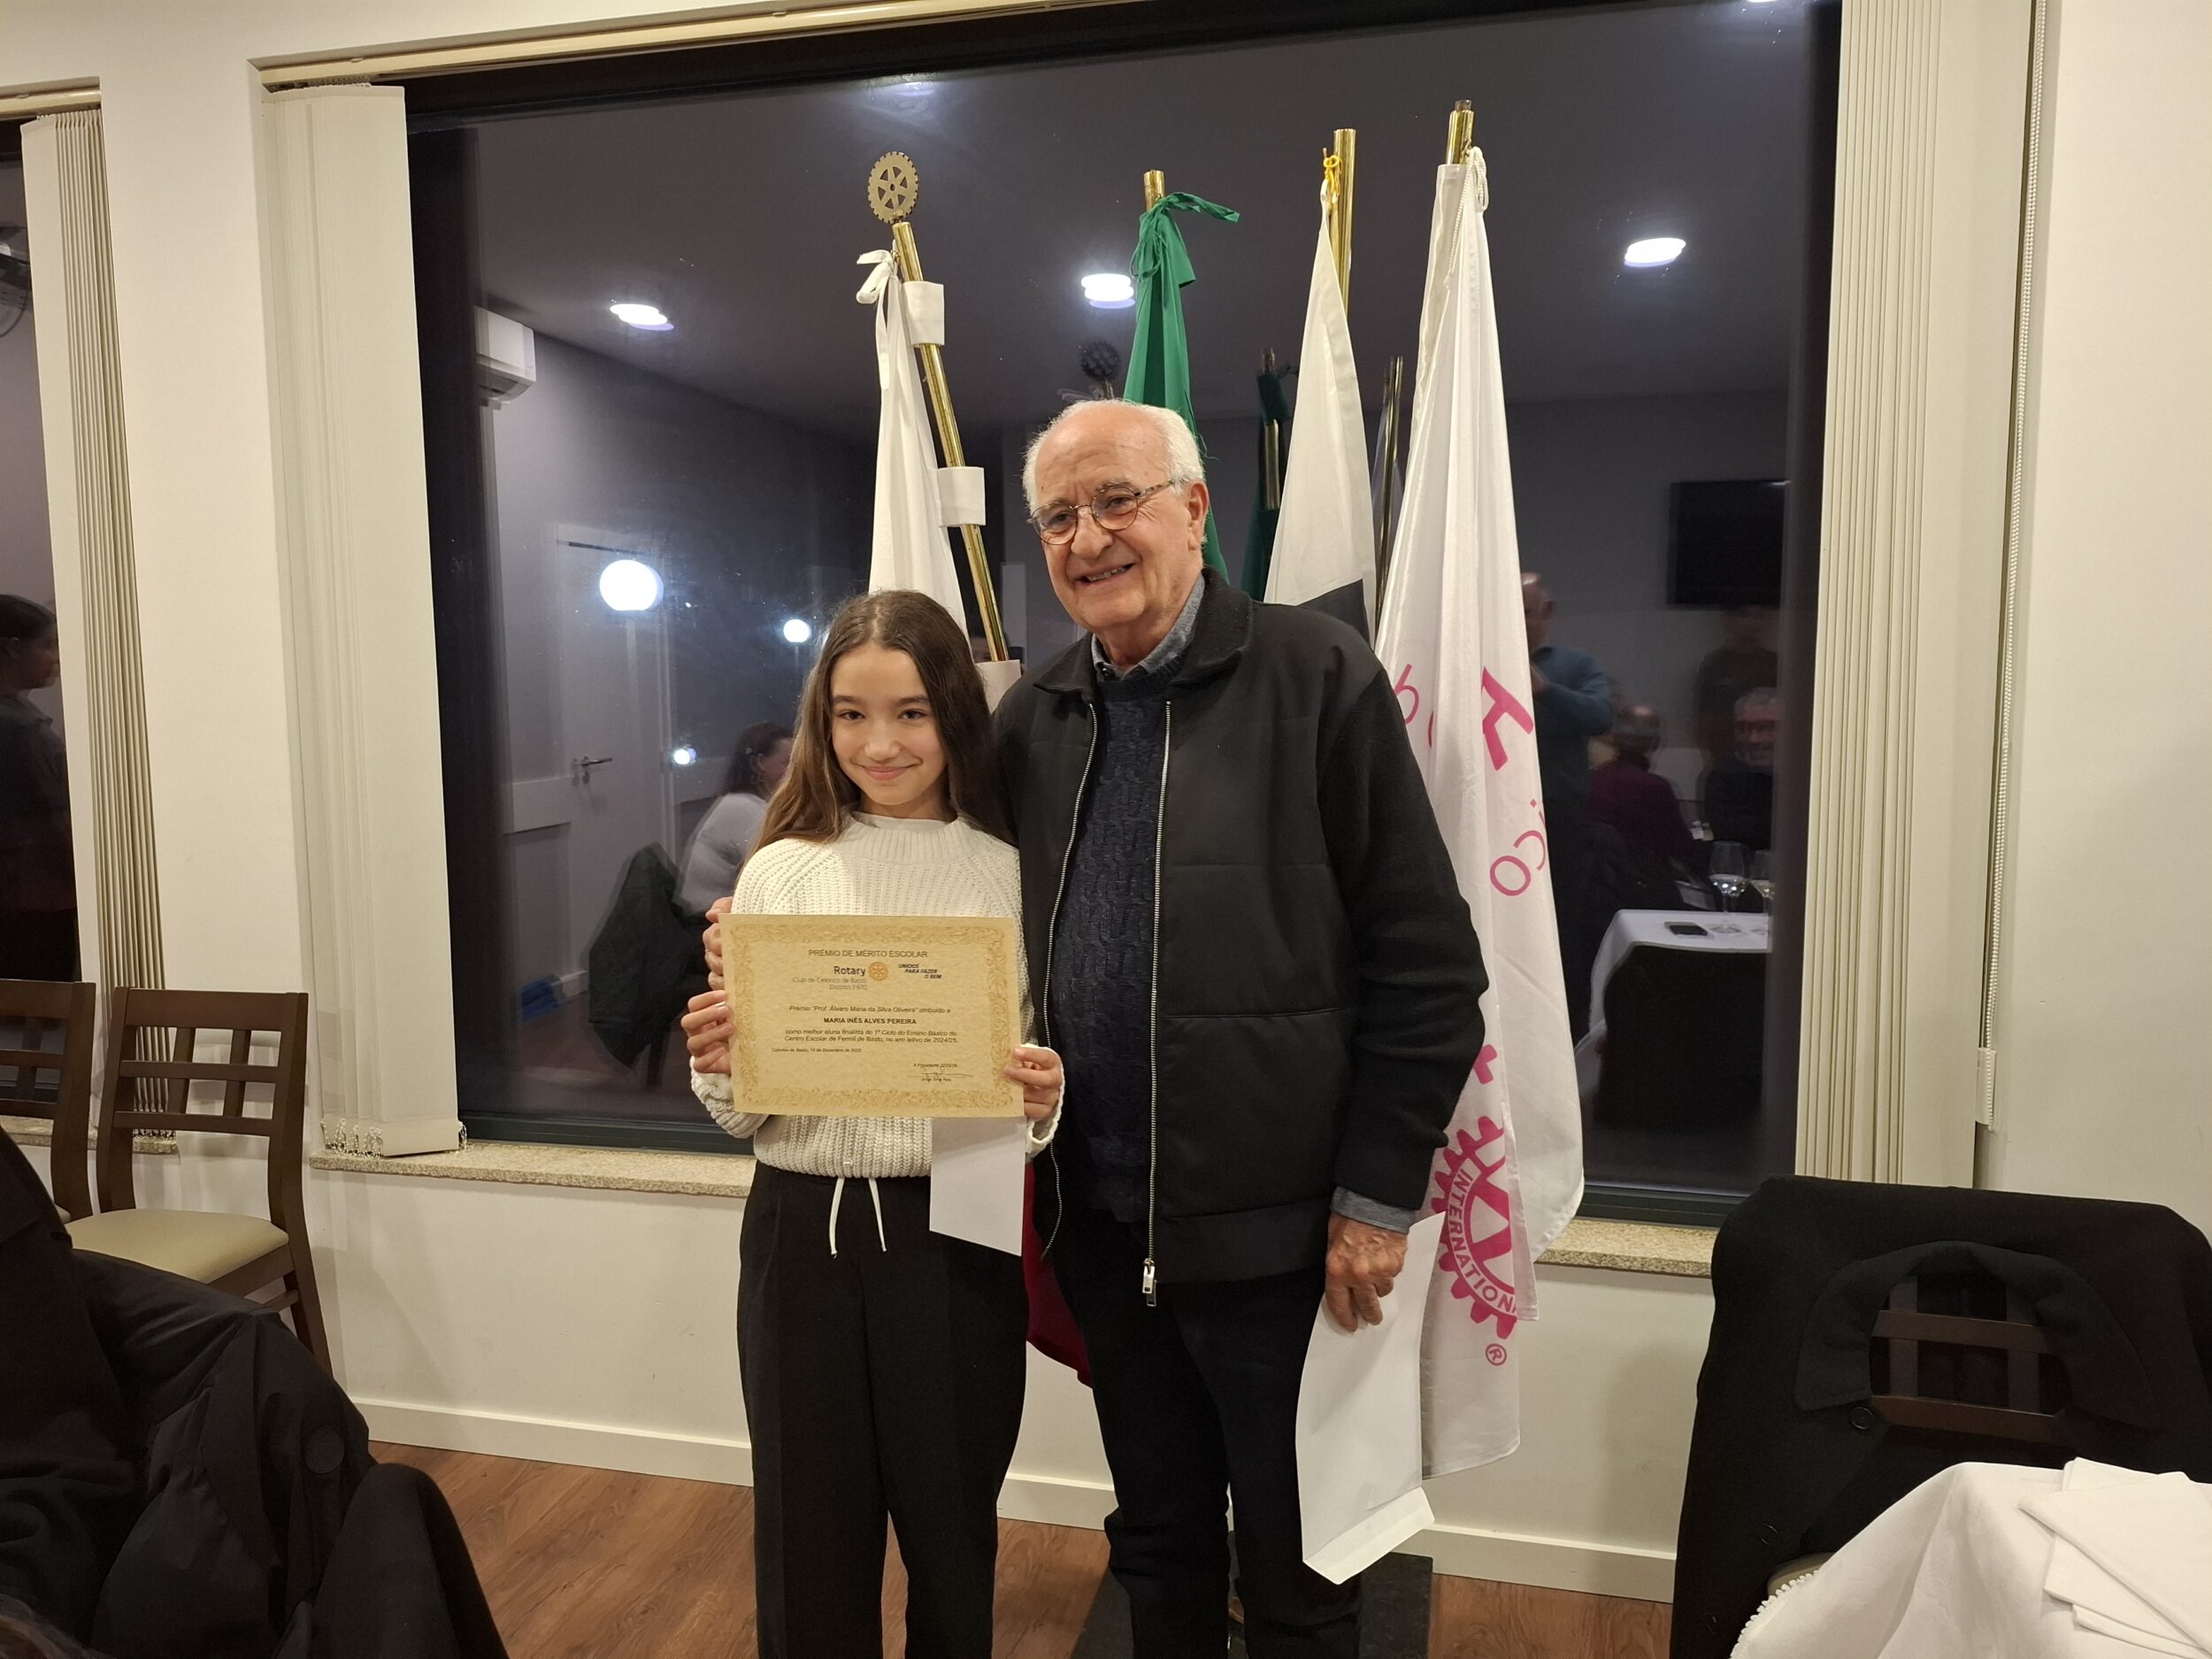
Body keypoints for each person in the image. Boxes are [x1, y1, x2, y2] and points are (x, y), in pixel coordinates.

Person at [995, 400, 1486, 1656]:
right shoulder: (1036, 712)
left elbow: (1429, 969)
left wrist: (1376, 1198)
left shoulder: (1316, 677)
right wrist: (767, 929)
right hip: (1102, 1225)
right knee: (1156, 1544)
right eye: (1058, 516)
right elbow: (941, 895)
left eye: (1117, 499)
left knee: (1298, 1567)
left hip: (1286, 1240)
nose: (1088, 539)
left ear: (1195, 509)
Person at [676, 590, 1064, 1659]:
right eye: (851, 714)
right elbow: (746, 1106)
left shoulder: (1009, 871)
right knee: (806, 1531)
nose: (879, 744)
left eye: (910, 713)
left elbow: (1036, 1061)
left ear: (955, 716)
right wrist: (720, 1061)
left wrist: (1042, 1098)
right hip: (801, 1227)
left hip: (958, 1222)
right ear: (821, 721)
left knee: (952, 1530)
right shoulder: (779, 869)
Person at [1522, 573, 1612, 1035]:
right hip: (1498, 815)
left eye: (1526, 612)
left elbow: (1601, 716)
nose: (1517, 622)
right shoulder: (1479, 658)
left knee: (1562, 927)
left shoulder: (1573, 664)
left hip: (1559, 819)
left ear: (1547, 612)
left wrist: (1547, 691)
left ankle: (1564, 1033)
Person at [0, 597, 76, 982]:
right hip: (33, 901)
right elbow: (53, 820)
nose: (57, 658)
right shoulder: (17, 729)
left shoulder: (20, 720)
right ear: (14, 648)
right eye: (48, 645)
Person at [675, 721, 791, 918]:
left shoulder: (754, 803)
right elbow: (780, 870)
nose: (797, 769)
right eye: (787, 762)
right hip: (706, 921)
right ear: (760, 763)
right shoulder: (740, 807)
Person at [1588, 703, 1694, 871]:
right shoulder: (1656, 788)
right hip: (1643, 881)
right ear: (1656, 743)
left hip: (1596, 880)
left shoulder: (1592, 779)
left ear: (1614, 738)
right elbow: (1681, 846)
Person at [1693, 606, 1778, 773]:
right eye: (1745, 615)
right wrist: (1709, 757)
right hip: (1725, 755)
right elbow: (1704, 718)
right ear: (1729, 620)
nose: (1752, 623)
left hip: (1770, 758)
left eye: (1758, 616)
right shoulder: (1716, 664)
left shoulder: (1773, 664)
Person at [1704, 687, 1779, 853]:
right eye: (1743, 729)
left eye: (1767, 728)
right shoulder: (1723, 779)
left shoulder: (1812, 777)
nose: (1753, 739)